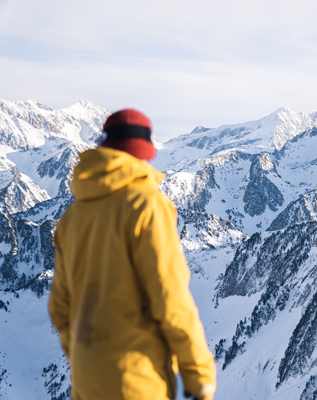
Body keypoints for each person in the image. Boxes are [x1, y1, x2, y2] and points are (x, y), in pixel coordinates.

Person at [48, 109, 216, 400]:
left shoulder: (73, 215)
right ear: (144, 153)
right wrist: (198, 371)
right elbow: (170, 297)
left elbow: (60, 307)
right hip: (137, 378)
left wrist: (83, 355)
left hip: (86, 381)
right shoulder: (146, 205)